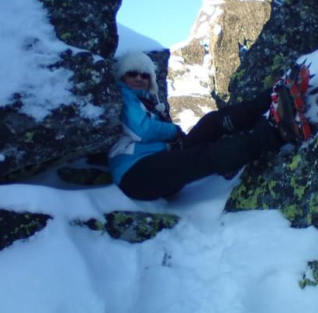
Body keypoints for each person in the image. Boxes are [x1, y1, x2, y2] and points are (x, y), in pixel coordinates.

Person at [108, 50, 301, 201]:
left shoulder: (148, 101)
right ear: (122, 77)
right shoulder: (125, 96)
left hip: (159, 161)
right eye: (132, 73)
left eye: (144, 75)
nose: (139, 78)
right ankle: (277, 133)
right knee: (206, 155)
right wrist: (174, 131)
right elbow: (143, 130)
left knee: (211, 122)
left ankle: (271, 97)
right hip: (136, 174)